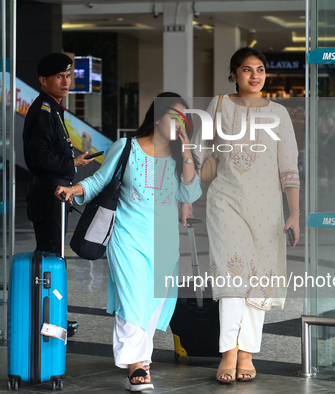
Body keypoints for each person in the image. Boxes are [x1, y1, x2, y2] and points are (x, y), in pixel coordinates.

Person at [55, 92, 201, 392]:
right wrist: (75, 190)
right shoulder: (127, 147)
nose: (178, 122)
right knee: (133, 297)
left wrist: (187, 149)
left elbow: (189, 194)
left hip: (164, 242)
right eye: (173, 115)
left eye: (183, 118)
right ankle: (135, 365)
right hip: (127, 236)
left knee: (154, 302)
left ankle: (141, 357)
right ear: (158, 117)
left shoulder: (179, 157)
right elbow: (100, 181)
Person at [191, 47, 300, 383]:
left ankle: (247, 352)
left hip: (267, 207)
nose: (255, 76)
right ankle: (228, 352)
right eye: (247, 70)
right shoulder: (219, 105)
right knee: (232, 274)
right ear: (234, 74)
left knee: (261, 277)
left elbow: (288, 167)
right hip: (226, 202)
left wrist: (294, 211)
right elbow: (198, 153)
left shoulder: (279, 113)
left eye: (261, 69)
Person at [22, 52, 94, 336]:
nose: (66, 82)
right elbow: (38, 158)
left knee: (52, 258)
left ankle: (52, 317)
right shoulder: (42, 111)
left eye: (68, 76)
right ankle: (48, 321)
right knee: (50, 259)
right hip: (48, 194)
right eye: (59, 77)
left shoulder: (52, 109)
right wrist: (72, 163)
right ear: (43, 80)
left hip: (55, 194)